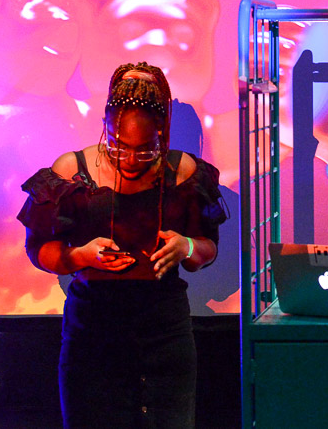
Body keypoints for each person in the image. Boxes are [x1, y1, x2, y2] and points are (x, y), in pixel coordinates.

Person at [17, 62, 227, 428]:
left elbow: (207, 249)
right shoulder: (70, 171)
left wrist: (187, 247)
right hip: (93, 334)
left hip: (165, 333)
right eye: (118, 146)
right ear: (105, 124)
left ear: (163, 131)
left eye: (145, 150)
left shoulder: (186, 172)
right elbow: (39, 249)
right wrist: (80, 256)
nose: (130, 160)